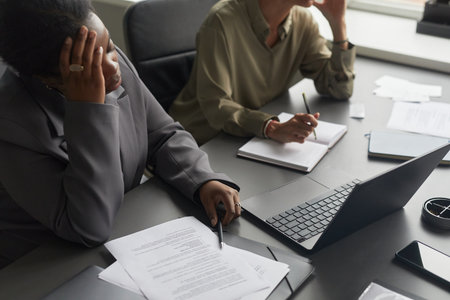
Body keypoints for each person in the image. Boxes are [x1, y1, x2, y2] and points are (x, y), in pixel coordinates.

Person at [0, 0, 241, 268]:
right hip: (44, 268)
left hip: (124, 237)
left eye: (110, 47)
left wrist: (202, 180)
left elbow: (162, 134)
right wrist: (89, 109)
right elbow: (89, 227)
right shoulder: (11, 125)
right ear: (46, 79)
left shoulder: (112, 64)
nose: (113, 66)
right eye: (92, 64)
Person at [170, 0, 356, 145]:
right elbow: (216, 105)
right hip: (203, 140)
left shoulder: (303, 22)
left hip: (252, 137)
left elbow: (340, 89)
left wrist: (338, 24)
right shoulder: (221, 21)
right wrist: (271, 127)